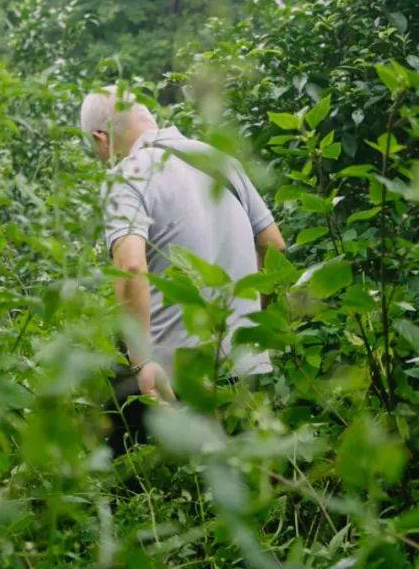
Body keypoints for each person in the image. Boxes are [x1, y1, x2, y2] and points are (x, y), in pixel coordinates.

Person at [79, 86, 287, 454]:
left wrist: (141, 361)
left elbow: (130, 266)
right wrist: (251, 321)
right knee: (245, 486)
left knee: (116, 472)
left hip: (174, 376)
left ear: (101, 137)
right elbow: (274, 247)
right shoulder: (221, 160)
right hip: (244, 365)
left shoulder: (126, 175)